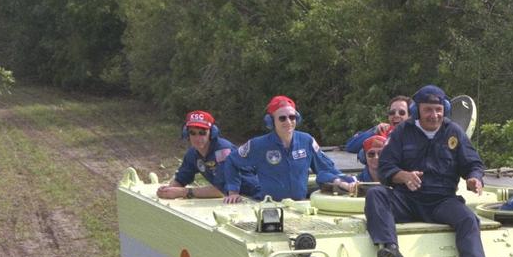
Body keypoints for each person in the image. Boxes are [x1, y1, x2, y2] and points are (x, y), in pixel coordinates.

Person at [365, 83, 502, 257]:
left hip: (442, 201)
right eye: (428, 109)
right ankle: (390, 249)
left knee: (468, 218)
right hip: (408, 198)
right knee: (376, 195)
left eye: (438, 110)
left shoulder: (453, 132)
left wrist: (474, 178)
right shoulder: (403, 132)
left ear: (445, 109)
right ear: (416, 110)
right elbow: (385, 168)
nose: (434, 115)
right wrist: (404, 176)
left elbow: (473, 163)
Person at [223, 94, 356, 203]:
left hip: (301, 206)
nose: (288, 122)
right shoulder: (258, 145)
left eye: (292, 117)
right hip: (269, 208)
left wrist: (345, 181)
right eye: (282, 118)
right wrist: (233, 191)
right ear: (271, 121)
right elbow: (231, 161)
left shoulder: (307, 141)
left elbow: (325, 168)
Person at [157, 110, 259, 200]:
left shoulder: (223, 151)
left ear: (212, 133)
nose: (197, 138)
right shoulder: (192, 153)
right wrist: (168, 190)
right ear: (186, 134)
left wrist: (184, 192)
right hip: (238, 200)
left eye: (202, 133)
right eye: (193, 133)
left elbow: (221, 190)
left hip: (257, 195)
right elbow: (181, 179)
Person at [344, 95, 411, 155]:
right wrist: (374, 131)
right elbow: (350, 147)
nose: (396, 115)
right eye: (392, 112)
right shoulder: (383, 132)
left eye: (402, 112)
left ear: (409, 116)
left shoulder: (416, 134)